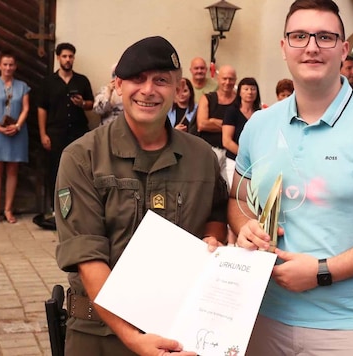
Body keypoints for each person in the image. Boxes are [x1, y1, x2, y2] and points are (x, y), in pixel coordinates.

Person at [228, 1, 353, 354]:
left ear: (343, 49)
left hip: (352, 328)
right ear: (284, 47)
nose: (312, 46)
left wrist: (324, 270)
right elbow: (239, 199)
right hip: (261, 318)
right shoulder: (259, 125)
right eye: (300, 36)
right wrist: (245, 225)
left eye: (325, 36)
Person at [55, 36, 228, 356]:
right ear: (118, 86)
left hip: (181, 333)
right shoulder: (83, 157)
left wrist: (213, 239)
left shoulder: (203, 157)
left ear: (178, 90)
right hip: (100, 336)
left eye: (161, 80)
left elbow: (216, 213)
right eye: (137, 79)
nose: (148, 90)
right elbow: (88, 258)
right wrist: (133, 337)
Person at [38, 42, 93, 212]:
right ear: (58, 58)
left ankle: (77, 208)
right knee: (55, 170)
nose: (68, 59)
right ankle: (57, 209)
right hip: (55, 133)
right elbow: (42, 109)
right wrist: (43, 134)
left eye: (70, 56)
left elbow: (91, 104)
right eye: (64, 56)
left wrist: (82, 103)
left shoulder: (82, 80)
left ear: (74, 58)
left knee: (79, 170)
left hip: (78, 132)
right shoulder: (48, 82)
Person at [0, 51, 30, 224]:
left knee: (12, 169)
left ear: (15, 67)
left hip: (17, 130)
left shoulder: (22, 86)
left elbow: (25, 108)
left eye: (11, 64)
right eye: (5, 64)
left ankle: (8, 209)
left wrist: (17, 126)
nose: (8, 67)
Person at [195, 65, 237, 183]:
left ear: (235, 80)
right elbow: (202, 124)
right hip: (210, 151)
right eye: (224, 78)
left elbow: (243, 127)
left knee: (229, 189)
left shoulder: (239, 101)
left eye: (231, 79)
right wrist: (230, 126)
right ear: (218, 79)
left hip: (232, 155)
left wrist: (213, 121)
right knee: (207, 186)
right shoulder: (208, 98)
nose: (227, 82)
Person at [222, 77, 261, 190]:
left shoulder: (260, 113)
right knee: (235, 192)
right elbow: (227, 141)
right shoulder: (232, 111)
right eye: (246, 89)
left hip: (255, 164)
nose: (249, 92)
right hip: (234, 161)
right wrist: (245, 156)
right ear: (239, 92)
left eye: (253, 89)